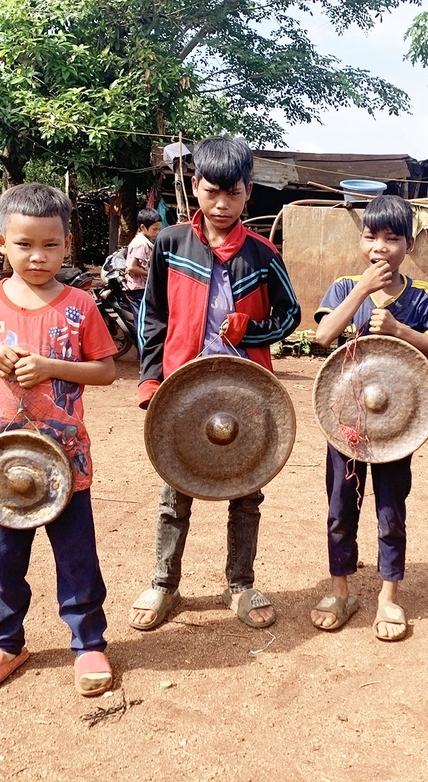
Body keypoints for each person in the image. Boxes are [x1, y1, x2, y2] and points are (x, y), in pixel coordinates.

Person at [0, 183, 118, 696]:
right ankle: (5, 641)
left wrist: (51, 367)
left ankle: (88, 643)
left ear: (68, 244)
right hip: (0, 461)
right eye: (24, 244)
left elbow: (106, 371)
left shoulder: (80, 305)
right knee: (0, 556)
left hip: (65, 457)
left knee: (76, 556)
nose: (38, 256)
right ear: (1, 242)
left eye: (50, 244)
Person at [129, 136, 300, 632]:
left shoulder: (263, 253)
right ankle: (164, 584)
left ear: (248, 192)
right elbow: (153, 316)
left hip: (247, 392)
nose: (222, 204)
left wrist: (253, 331)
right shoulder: (170, 243)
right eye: (211, 192)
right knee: (174, 492)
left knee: (247, 492)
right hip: (184, 388)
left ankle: (240, 584)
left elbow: (290, 314)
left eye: (233, 193)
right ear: (195, 187)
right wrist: (151, 380)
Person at [310, 195, 428, 641]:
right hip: (345, 422)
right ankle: (340, 590)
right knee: (340, 508)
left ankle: (389, 597)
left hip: (397, 426)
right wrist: (363, 290)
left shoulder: (422, 295)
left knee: (391, 510)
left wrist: (400, 331)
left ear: (410, 244)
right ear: (361, 240)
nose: (380, 247)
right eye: (371, 237)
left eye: (392, 238)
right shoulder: (343, 288)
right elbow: (323, 335)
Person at [123, 208, 162, 347]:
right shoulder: (140, 244)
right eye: (154, 229)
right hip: (138, 289)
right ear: (143, 227)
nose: (157, 232)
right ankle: (143, 353)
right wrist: (151, 273)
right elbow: (131, 267)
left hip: (143, 287)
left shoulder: (145, 241)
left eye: (158, 229)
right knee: (143, 323)